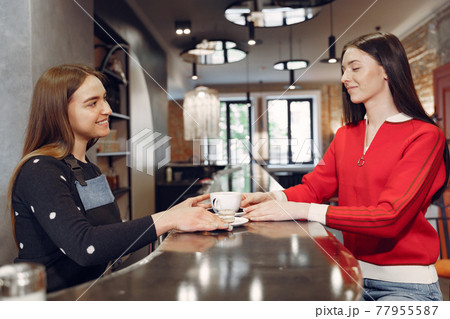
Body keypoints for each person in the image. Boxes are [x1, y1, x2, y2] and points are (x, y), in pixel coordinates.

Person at [241, 32, 450, 301]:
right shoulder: (346, 135)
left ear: (387, 70)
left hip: (407, 287)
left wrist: (303, 210)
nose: (344, 78)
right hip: (352, 278)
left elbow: (390, 217)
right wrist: (273, 197)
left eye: (355, 68)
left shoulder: (424, 136)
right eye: (343, 70)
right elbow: (314, 188)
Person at [7, 64, 231, 293]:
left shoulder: (89, 170)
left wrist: (177, 213)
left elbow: (112, 237)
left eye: (104, 99)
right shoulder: (40, 170)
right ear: (59, 112)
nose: (107, 109)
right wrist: (168, 219)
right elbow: (86, 246)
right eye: (92, 103)